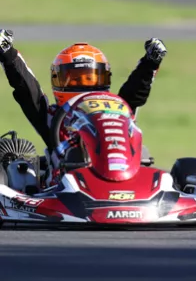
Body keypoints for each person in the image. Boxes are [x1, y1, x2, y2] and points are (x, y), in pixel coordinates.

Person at [0, 29, 167, 184]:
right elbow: (28, 92)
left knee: (168, 161)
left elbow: (134, 93)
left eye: (90, 79)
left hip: (124, 179)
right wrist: (8, 54)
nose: (84, 86)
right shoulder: (53, 118)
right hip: (67, 191)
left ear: (105, 78)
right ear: (58, 81)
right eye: (75, 79)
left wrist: (150, 63)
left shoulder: (118, 111)